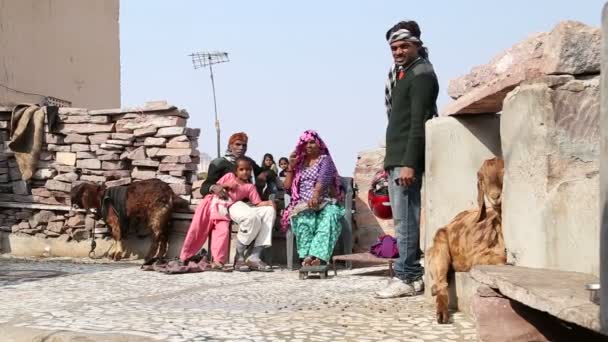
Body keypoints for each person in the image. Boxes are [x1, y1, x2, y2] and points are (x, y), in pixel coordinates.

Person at [375, 20, 439, 298]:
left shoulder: (421, 74)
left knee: (407, 219)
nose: (398, 51)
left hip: (406, 159)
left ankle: (409, 276)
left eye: (404, 46)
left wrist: (410, 162)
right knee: (402, 220)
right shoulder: (403, 74)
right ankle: (407, 274)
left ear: (416, 46)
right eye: (394, 47)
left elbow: (418, 122)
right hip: (397, 156)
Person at [182, 132, 276, 272]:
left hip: (248, 202)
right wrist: (215, 187)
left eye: (244, 145)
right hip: (230, 203)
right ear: (230, 145)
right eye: (237, 144)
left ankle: (255, 256)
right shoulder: (219, 163)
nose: (241, 148)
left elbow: (269, 171)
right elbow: (205, 187)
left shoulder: (247, 162)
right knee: (250, 217)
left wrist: (264, 174)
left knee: (269, 211)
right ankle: (239, 257)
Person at [281, 130, 345, 266]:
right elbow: (287, 187)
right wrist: (291, 167)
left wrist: (316, 196)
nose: (309, 146)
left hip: (324, 202)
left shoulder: (325, 160)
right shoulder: (298, 164)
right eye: (305, 143)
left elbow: (324, 178)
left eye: (312, 142)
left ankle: (317, 257)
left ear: (318, 144)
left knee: (330, 216)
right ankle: (306, 258)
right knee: (304, 219)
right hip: (303, 204)